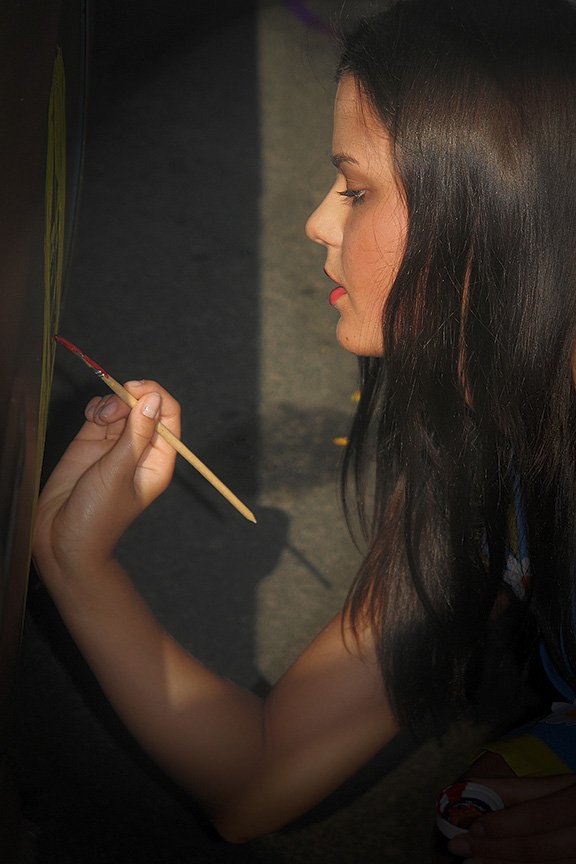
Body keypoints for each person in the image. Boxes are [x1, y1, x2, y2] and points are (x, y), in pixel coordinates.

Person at [33, 0, 576, 858]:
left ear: (501, 214)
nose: (318, 222)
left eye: (355, 189)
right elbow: (257, 780)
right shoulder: (471, 448)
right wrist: (74, 562)